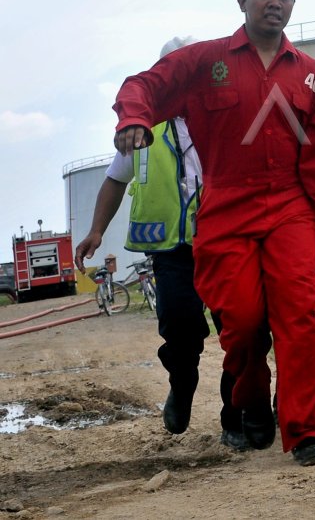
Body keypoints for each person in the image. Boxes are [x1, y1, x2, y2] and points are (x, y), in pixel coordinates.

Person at [110, 0, 315, 467]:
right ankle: (250, 399)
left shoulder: (312, 76)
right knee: (240, 322)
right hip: (226, 206)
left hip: (290, 206)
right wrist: (133, 117)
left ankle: (304, 430)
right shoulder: (205, 62)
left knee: (299, 318)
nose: (275, 3)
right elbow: (145, 84)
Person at [75, 37, 254, 450]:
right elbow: (114, 181)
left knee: (239, 330)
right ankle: (182, 384)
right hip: (173, 250)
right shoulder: (144, 128)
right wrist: (97, 231)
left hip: (227, 241)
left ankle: (236, 416)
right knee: (182, 330)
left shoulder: (230, 118)